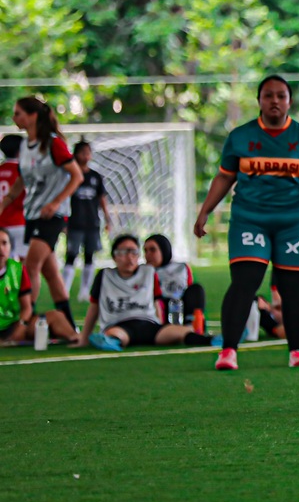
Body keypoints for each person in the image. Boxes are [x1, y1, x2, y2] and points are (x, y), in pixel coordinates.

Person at [193, 75, 299, 371]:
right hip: (250, 220)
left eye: (281, 96)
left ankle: (297, 351)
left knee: (293, 287)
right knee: (245, 281)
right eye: (268, 95)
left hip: (294, 222)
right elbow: (224, 177)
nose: (275, 101)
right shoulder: (240, 137)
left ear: (289, 101)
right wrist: (205, 211)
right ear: (259, 100)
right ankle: (228, 351)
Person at [0, 97, 84, 330]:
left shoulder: (53, 144)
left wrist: (56, 203)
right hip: (32, 216)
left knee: (30, 267)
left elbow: (76, 176)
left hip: (52, 217)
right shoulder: (26, 147)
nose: (14, 118)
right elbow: (21, 180)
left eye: (18, 113)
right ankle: (69, 326)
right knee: (51, 273)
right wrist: (5, 202)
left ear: (33, 116)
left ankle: (23, 323)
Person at [73, 235, 214, 351]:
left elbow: (156, 302)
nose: (129, 257)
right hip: (119, 324)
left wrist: (161, 324)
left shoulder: (148, 272)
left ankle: (212, 340)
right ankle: (109, 341)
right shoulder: (104, 275)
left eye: (133, 252)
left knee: (181, 333)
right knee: (116, 335)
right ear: (114, 256)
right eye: (123, 252)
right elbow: (94, 307)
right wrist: (84, 338)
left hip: (148, 324)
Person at [0, 228, 79, 345]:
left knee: (56, 316)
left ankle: (77, 338)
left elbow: (27, 308)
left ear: (10, 246)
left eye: (4, 243)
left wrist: (21, 326)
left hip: (14, 324)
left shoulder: (18, 270)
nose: (1, 248)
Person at [63, 140, 115, 302]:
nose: (86, 156)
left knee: (89, 256)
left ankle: (85, 291)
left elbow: (102, 199)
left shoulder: (95, 177)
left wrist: (108, 219)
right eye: (83, 152)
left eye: (88, 152)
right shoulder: (69, 176)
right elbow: (63, 199)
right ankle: (64, 289)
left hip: (92, 223)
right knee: (71, 255)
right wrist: (63, 222)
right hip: (74, 222)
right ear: (76, 154)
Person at [143, 234, 206, 326]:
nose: (147, 255)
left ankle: (192, 324)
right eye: (145, 251)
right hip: (160, 308)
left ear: (164, 250)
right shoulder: (144, 271)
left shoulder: (182, 267)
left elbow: (190, 291)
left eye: (152, 250)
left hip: (181, 305)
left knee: (196, 289)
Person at [0, 135, 27, 261]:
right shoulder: (23, 171)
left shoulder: (1, 169)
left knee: (4, 260)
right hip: (19, 222)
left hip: (2, 223)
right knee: (23, 261)